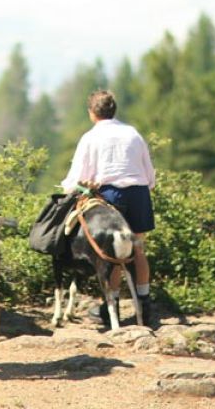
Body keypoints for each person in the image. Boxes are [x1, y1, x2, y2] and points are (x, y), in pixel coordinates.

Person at [61, 89, 156, 326]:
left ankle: (109, 307)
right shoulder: (133, 134)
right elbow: (149, 172)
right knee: (137, 248)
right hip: (139, 192)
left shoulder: (90, 138)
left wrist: (69, 188)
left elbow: (77, 177)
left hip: (110, 194)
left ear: (92, 113)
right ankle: (144, 302)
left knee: (113, 253)